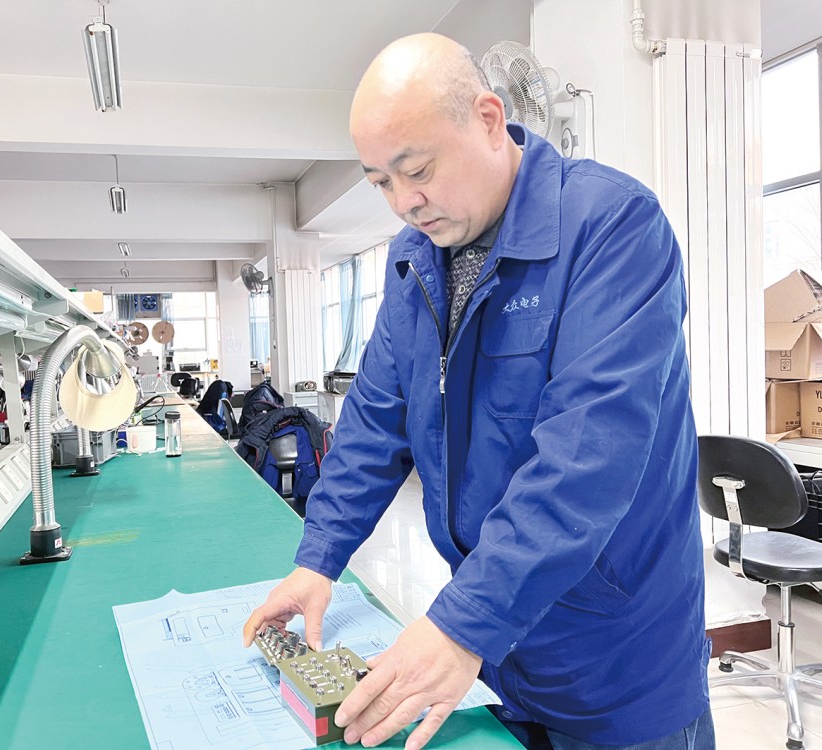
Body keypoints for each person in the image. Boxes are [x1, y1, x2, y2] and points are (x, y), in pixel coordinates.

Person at [242, 32, 712, 750]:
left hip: (614, 657)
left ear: (490, 120)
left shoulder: (612, 227)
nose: (405, 203)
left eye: (417, 170)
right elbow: (374, 424)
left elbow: (587, 459)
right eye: (381, 183)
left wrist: (463, 624)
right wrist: (318, 558)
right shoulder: (414, 260)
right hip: (494, 650)